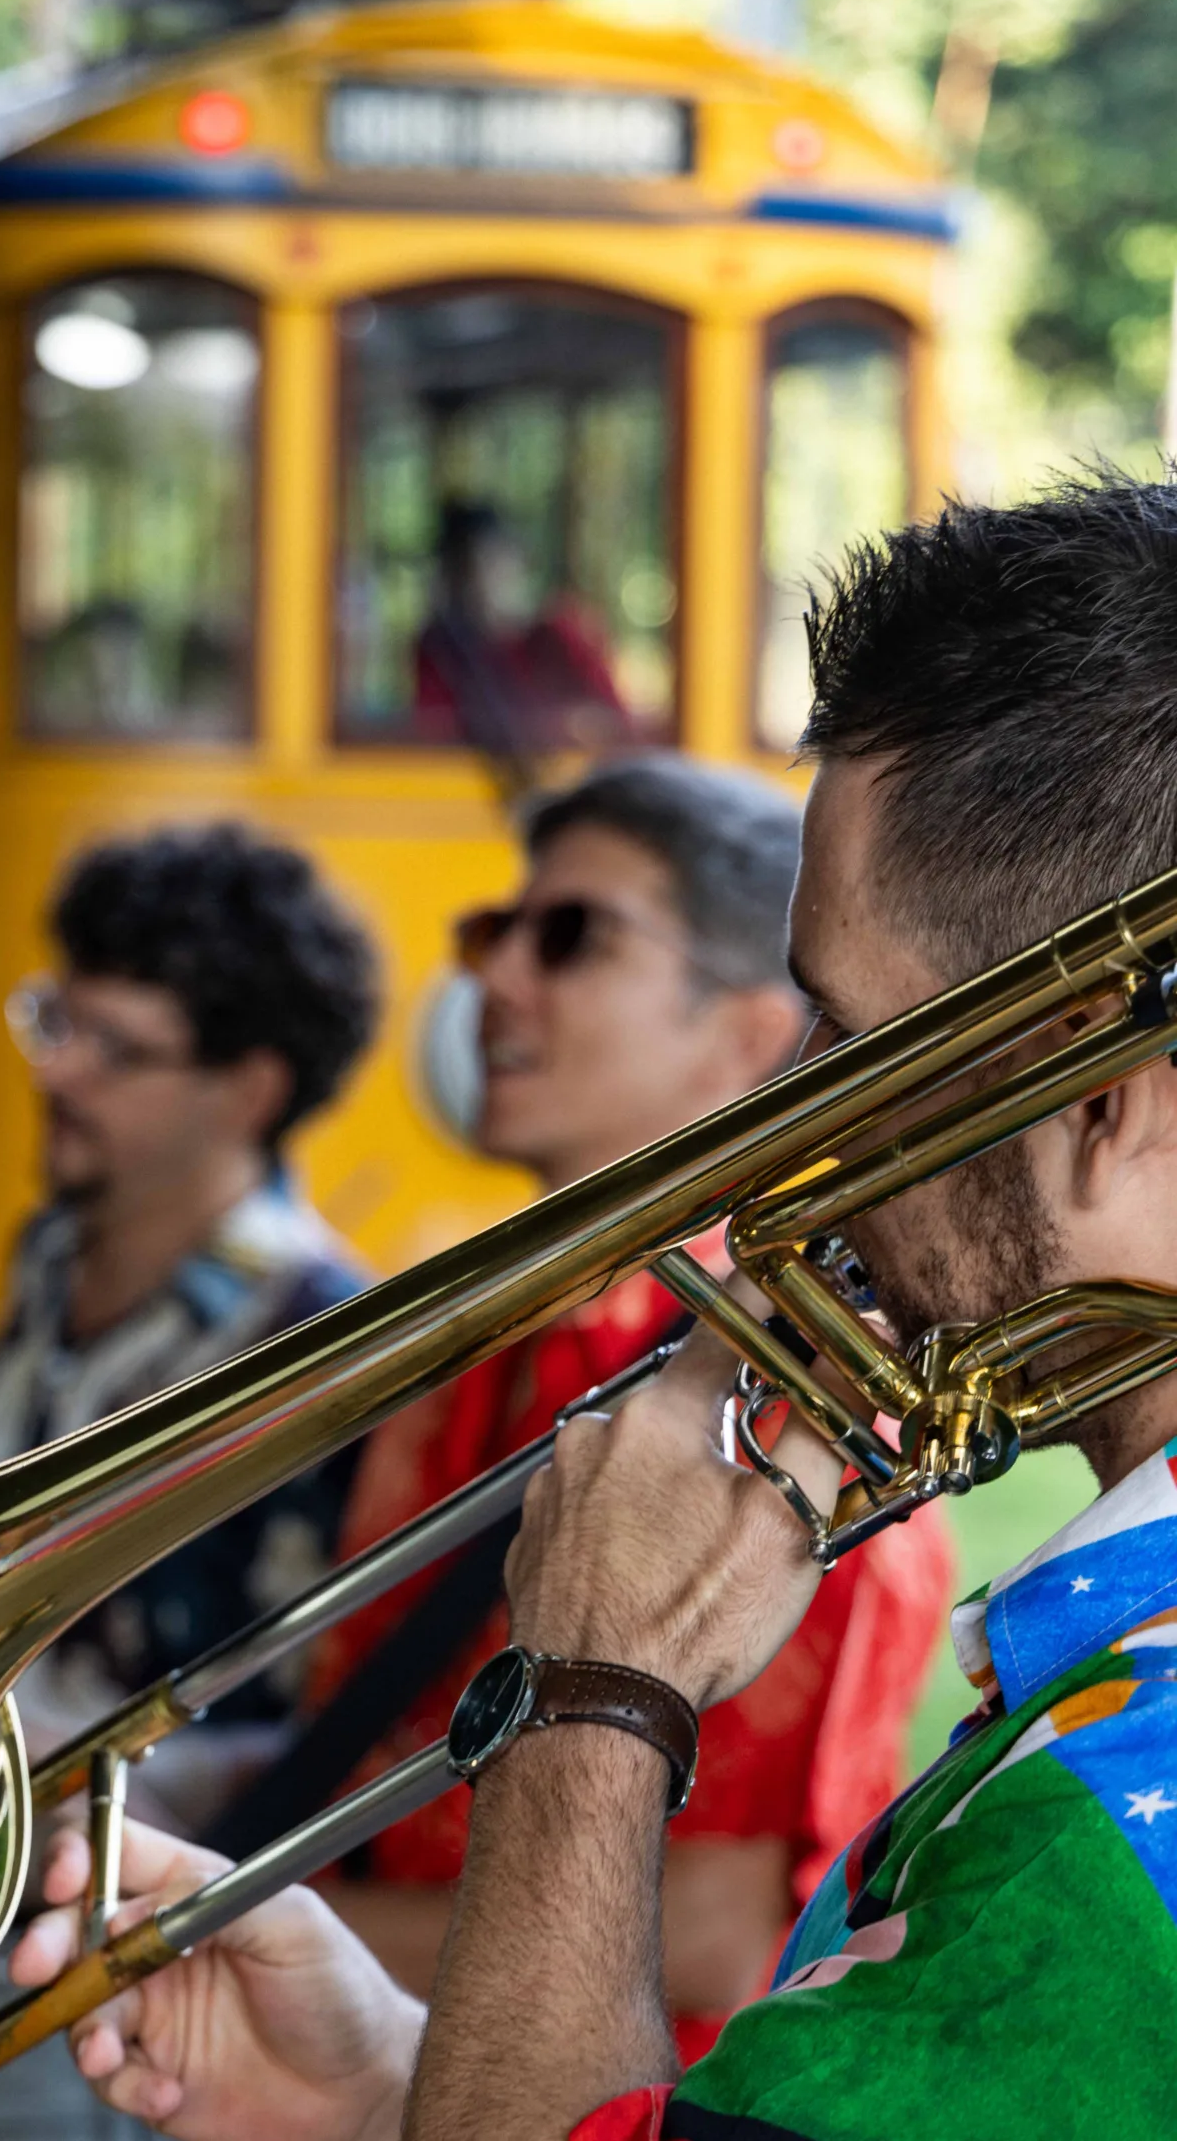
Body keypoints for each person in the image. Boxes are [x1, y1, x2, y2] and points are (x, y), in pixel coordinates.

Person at [14, 473, 1177, 2141]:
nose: (786, 1121)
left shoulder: (1128, 1854)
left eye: (841, 1031)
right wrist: (398, 2083)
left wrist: (596, 1691)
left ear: (1106, 1091)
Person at [307, 757, 955, 2059]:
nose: (491, 982)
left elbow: (722, 1929)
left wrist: (227, 1932)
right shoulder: (481, 1346)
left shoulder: (799, 1389)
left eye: (572, 939)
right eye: (496, 934)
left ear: (753, 1035)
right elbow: (361, 1758)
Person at [0, 821, 379, 1825]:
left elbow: (326, 1732)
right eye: (56, 1021)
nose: (55, 1071)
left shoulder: (320, 1348)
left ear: (248, 1092)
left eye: (116, 1049)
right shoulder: (51, 1252)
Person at [414, 499, 632, 754]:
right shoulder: (442, 652)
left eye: (491, 563)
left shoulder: (560, 636)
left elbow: (615, 725)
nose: (479, 582)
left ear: (518, 561)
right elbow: (434, 738)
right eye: (463, 569)